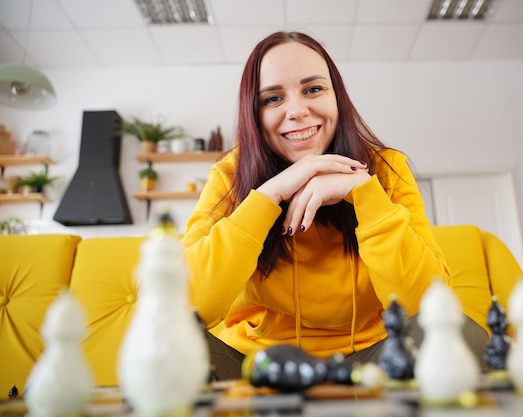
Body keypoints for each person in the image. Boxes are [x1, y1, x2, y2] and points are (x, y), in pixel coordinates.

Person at [183, 31, 488, 380]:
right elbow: (185, 305)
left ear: (337, 97)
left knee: (457, 335)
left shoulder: (387, 170)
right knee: (172, 343)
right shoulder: (229, 176)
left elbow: (426, 307)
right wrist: (269, 196)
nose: (297, 111)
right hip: (256, 360)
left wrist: (365, 195)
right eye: (272, 98)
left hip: (373, 356)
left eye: (313, 89)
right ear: (253, 112)